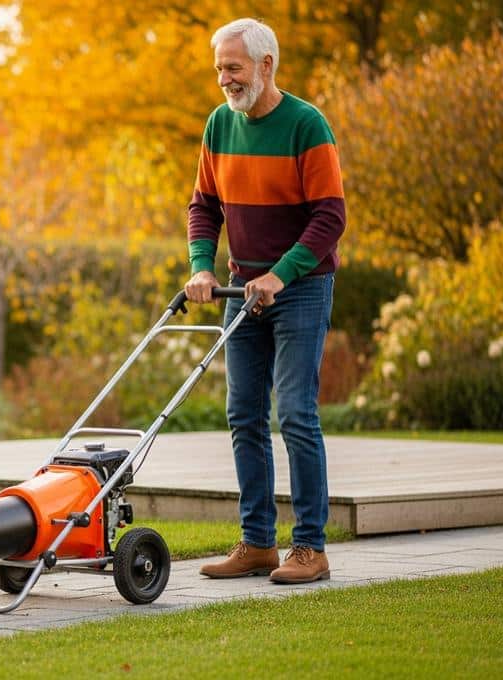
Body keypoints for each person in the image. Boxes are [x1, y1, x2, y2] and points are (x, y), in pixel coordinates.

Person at [184, 18, 346, 584]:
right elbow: (203, 206)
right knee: (242, 414)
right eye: (220, 70)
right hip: (241, 289)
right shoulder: (218, 126)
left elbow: (331, 217)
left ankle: (310, 548)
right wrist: (202, 268)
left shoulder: (307, 125)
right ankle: (257, 543)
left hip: (300, 289)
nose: (225, 79)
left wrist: (281, 275)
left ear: (266, 64)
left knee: (296, 414)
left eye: (233, 67)